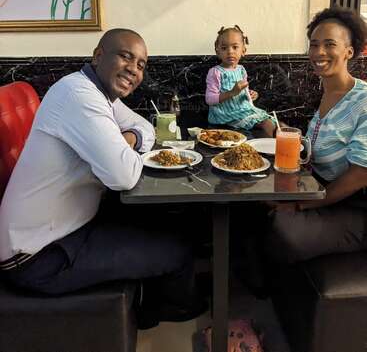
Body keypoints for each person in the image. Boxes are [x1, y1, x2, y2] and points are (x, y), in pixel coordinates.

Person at [0, 28, 204, 328]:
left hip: (64, 229)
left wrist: (129, 138)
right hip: (38, 257)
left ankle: (150, 303)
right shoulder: (79, 95)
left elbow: (143, 126)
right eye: (126, 56)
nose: (134, 70)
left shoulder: (97, 93)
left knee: (168, 218)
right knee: (179, 248)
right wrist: (129, 146)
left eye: (141, 65)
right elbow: (123, 176)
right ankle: (170, 309)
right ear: (98, 56)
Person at [265, 5, 367, 264]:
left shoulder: (363, 100)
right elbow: (318, 148)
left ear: (349, 51)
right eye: (314, 44)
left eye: (329, 44)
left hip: (355, 208)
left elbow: (360, 174)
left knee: (285, 228)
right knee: (254, 197)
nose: (319, 52)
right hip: (322, 191)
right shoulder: (325, 93)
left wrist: (303, 204)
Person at [205, 25, 276, 137]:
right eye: (224, 48)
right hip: (225, 115)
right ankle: (274, 150)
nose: (230, 51)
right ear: (217, 51)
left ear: (243, 50)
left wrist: (251, 94)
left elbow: (243, 90)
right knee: (266, 123)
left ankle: (293, 145)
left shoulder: (241, 70)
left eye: (235, 47)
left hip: (242, 110)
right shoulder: (215, 72)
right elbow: (209, 99)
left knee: (276, 123)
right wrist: (231, 93)